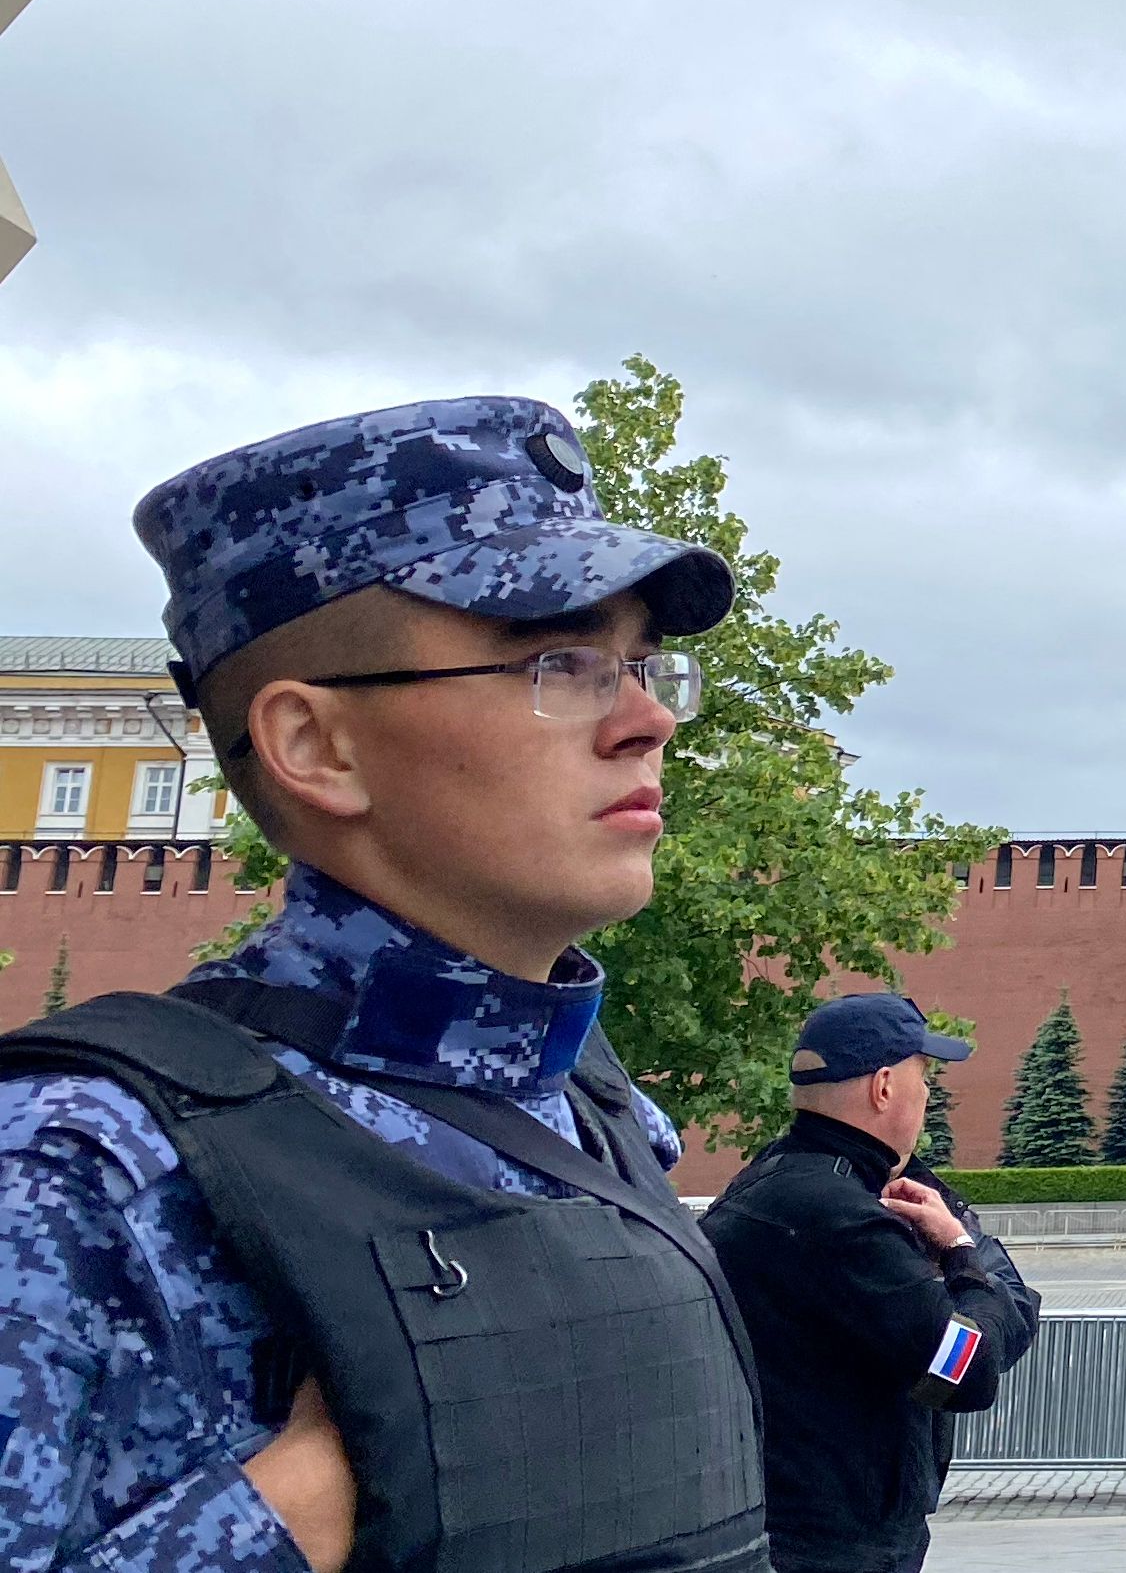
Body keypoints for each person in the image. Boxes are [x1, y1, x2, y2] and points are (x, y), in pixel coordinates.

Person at [0, 395, 762, 1573]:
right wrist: (278, 1527)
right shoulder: (85, 1169)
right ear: (316, 745)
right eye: (561, 663)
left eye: (645, 666)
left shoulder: (595, 1112)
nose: (649, 719)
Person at [704, 995, 1040, 1573]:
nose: (928, 1095)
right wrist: (960, 1253)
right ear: (883, 1087)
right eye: (924, 1077)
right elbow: (963, 1371)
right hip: (834, 1541)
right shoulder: (844, 1219)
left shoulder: (771, 1182)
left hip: (783, 1524)